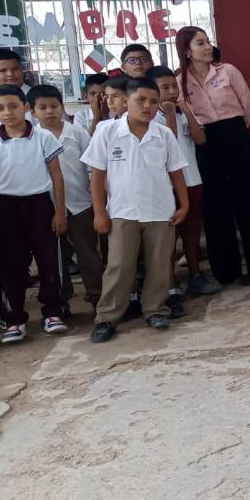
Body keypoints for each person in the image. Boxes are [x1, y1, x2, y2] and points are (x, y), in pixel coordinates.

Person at [83, 78, 189, 343]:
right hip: (121, 211)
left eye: (153, 102)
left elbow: (176, 171)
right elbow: (97, 176)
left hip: (160, 211)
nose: (147, 106)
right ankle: (106, 317)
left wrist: (184, 204)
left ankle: (155, 309)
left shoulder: (163, 133)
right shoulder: (107, 131)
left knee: (160, 263)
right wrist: (99, 212)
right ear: (125, 101)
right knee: (119, 265)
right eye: (140, 100)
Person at [177, 27, 250, 286]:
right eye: (200, 43)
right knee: (216, 203)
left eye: (208, 42)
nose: (207, 46)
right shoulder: (180, 82)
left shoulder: (228, 71)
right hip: (206, 142)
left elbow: (248, 106)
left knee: (245, 200)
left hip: (235, 134)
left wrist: (236, 131)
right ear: (187, 50)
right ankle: (226, 270)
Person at [0, 84, 68, 343]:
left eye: (13, 106)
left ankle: (53, 311)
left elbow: (57, 176)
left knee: (49, 261)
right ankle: (15, 319)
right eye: (0, 108)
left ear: (25, 107)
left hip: (39, 205)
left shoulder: (42, 137)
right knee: (11, 265)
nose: (7, 113)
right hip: (5, 207)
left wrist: (59, 212)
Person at [150, 65, 221, 303]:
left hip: (192, 180)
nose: (171, 91)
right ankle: (169, 284)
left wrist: (186, 112)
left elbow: (200, 139)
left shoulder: (183, 111)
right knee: (167, 238)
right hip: (166, 185)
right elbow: (167, 144)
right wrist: (170, 114)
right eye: (164, 88)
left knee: (191, 233)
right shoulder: (153, 118)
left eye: (173, 86)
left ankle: (195, 274)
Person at [27, 84, 102, 307]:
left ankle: (97, 295)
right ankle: (61, 299)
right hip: (46, 207)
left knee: (87, 252)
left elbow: (91, 163)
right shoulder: (31, 137)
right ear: (32, 111)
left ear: (62, 107)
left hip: (80, 202)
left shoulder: (76, 133)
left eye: (54, 106)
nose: (49, 111)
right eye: (42, 107)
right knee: (54, 257)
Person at [0, 49, 36, 123]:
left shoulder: (39, 97)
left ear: (22, 69)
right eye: (2, 70)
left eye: (15, 69)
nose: (10, 74)